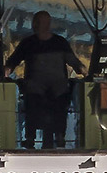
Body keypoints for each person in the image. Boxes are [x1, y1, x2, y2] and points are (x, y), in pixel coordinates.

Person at [5, 11, 85, 148]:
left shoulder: (28, 43)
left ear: (36, 24)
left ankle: (30, 137)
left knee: (32, 99)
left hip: (37, 90)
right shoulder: (60, 42)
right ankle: (59, 136)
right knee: (58, 100)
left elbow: (12, 63)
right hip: (55, 91)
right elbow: (76, 64)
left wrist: (3, 75)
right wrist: (86, 72)